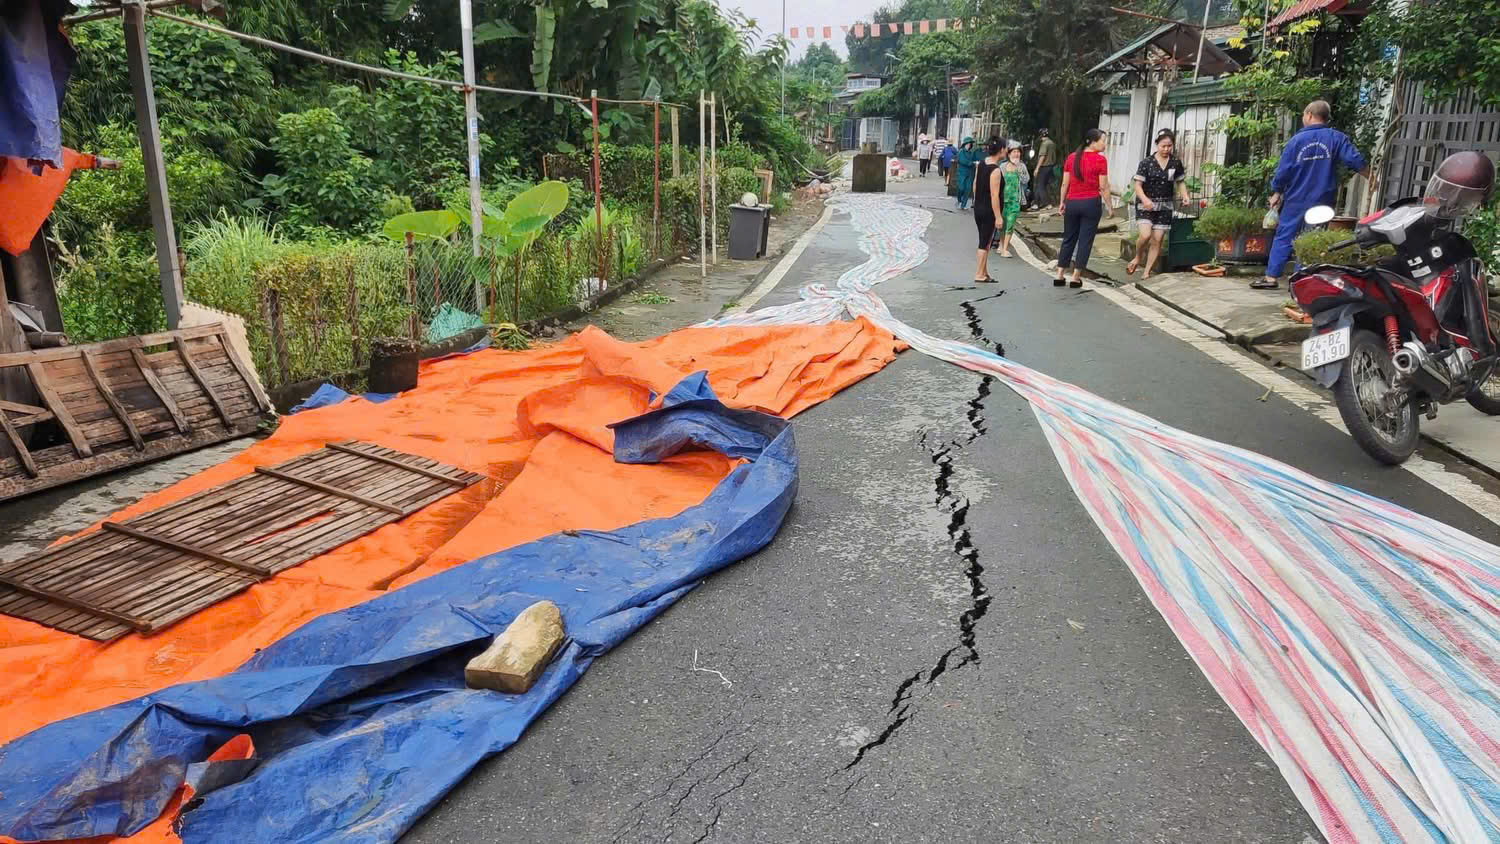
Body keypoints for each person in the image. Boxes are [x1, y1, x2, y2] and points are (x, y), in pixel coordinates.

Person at [1257, 99, 1370, 289]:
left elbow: (1283, 171)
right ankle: (1301, 281)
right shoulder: (1336, 138)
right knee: (1312, 238)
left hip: (1296, 197)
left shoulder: (1296, 141)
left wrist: (1276, 192)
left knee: (1285, 235)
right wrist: (1372, 178)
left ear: (1309, 115)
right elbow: (1355, 160)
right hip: (1322, 198)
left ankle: (1271, 278)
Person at [1127, 129, 1191, 280]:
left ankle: (1146, 272)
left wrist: (1185, 196)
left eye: (1169, 146)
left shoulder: (1175, 163)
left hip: (1165, 206)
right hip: (1146, 205)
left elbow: (1180, 182)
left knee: (1157, 239)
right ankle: (1137, 257)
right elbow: (1137, 185)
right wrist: (1145, 199)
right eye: (1163, 146)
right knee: (1145, 235)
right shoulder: (1146, 163)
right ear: (1157, 145)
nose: (1166, 149)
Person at [1055, 128, 1113, 288]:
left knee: (1068, 239)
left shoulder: (1072, 157)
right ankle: (1075, 277)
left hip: (1072, 203)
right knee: (1085, 241)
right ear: (1091, 142)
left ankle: (1059, 274)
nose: (1105, 144)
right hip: (1091, 203)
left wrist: (1062, 202)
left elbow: (1065, 183)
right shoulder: (1100, 160)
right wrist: (1109, 207)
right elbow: (1103, 187)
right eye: (1103, 141)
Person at [971, 137, 1004, 283]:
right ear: (1001, 150)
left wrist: (976, 201)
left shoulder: (982, 164)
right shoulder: (995, 170)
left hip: (979, 207)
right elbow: (994, 195)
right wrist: (998, 216)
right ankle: (979, 274)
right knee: (984, 242)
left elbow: (975, 185)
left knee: (985, 241)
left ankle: (984, 272)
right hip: (988, 211)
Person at [996, 144, 1028, 258]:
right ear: (1009, 154)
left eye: (1018, 152)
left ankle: (1005, 248)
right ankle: (1001, 243)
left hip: (1015, 200)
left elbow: (1026, 180)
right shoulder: (1003, 166)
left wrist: (1019, 170)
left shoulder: (1022, 166)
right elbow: (997, 181)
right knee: (1002, 224)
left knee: (1010, 224)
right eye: (1014, 152)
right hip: (1003, 200)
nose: (1016, 154)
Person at [1031, 128, 1058, 209]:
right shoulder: (1052, 143)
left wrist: (1037, 168)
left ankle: (1047, 203)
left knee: (1040, 185)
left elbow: (1042, 156)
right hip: (1050, 166)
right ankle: (1036, 203)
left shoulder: (1045, 144)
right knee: (1044, 185)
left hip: (1044, 166)